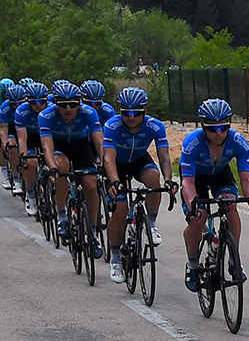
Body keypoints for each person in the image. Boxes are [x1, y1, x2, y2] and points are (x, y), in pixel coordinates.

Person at [101, 87, 172, 285]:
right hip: (116, 165)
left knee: (153, 178)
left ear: (145, 111)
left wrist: (168, 180)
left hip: (139, 160)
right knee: (120, 209)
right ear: (120, 111)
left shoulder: (155, 126)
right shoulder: (112, 126)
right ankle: (115, 256)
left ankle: (151, 222)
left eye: (136, 113)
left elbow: (164, 157)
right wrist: (114, 181)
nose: (131, 118)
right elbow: (108, 158)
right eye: (126, 113)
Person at [179, 99, 249, 291]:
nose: (218, 133)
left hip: (221, 175)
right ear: (203, 127)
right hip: (196, 178)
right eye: (212, 129)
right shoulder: (192, 143)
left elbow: (246, 179)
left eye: (223, 127)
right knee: (198, 218)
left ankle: (233, 259)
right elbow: (187, 182)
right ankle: (192, 264)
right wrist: (193, 205)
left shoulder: (238, 142)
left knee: (231, 205)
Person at [38, 81, 105, 252]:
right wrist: (52, 167)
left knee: (91, 185)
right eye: (63, 105)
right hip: (59, 145)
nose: (68, 109)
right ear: (56, 104)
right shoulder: (46, 116)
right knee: (61, 167)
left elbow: (99, 141)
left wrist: (104, 162)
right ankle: (62, 217)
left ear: (79, 104)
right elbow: (47, 146)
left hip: (80, 145)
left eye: (73, 104)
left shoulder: (89, 112)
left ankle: (93, 231)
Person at [12, 82, 49, 214]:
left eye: (42, 101)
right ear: (28, 102)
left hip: (48, 136)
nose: (38, 105)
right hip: (30, 137)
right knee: (31, 163)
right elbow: (22, 138)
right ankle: (31, 194)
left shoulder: (52, 109)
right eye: (34, 102)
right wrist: (24, 157)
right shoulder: (21, 111)